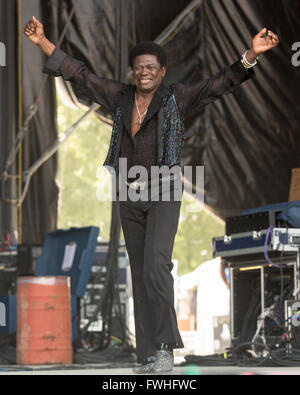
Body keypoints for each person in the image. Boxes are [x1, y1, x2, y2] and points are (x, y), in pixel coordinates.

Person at [24, 16, 279, 373]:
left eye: (151, 67)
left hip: (164, 190)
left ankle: (164, 348)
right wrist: (42, 43)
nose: (144, 72)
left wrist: (251, 53)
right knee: (141, 274)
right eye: (138, 67)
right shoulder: (120, 96)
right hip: (128, 192)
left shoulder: (177, 97)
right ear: (133, 72)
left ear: (162, 72)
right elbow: (79, 74)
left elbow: (220, 83)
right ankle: (146, 354)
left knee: (157, 266)